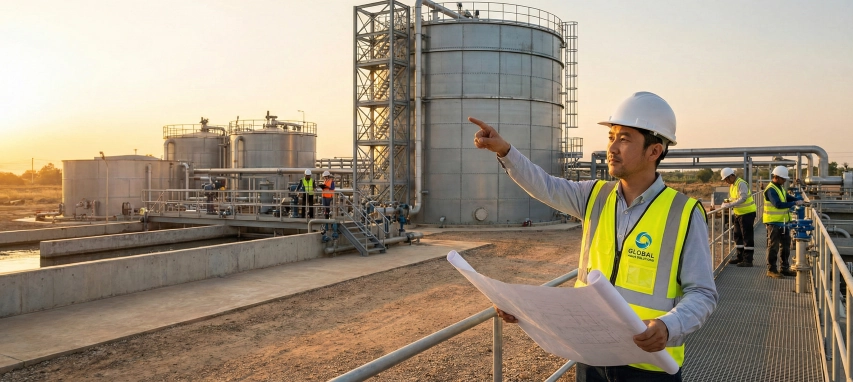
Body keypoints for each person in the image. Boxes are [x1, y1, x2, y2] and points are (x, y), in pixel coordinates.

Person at [470, 91, 718, 382]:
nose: (612, 147)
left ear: (655, 151)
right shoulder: (594, 197)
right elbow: (545, 186)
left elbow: (702, 293)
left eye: (624, 139)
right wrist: (505, 151)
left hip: (649, 367)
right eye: (611, 137)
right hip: (591, 360)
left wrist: (668, 326)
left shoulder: (684, 213)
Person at [763, 166, 803, 278]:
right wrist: (794, 203)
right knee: (773, 246)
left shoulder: (779, 187)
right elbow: (778, 204)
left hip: (783, 222)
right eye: (783, 179)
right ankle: (771, 270)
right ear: (777, 177)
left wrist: (796, 200)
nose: (785, 181)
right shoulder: (771, 189)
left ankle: (784, 268)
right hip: (773, 222)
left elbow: (786, 197)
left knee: (785, 246)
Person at [719, 168, 757, 267]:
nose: (726, 182)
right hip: (738, 213)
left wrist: (730, 204)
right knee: (737, 235)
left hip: (747, 213)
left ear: (732, 176)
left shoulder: (741, 184)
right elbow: (734, 198)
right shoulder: (732, 185)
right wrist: (727, 201)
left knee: (747, 237)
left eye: (727, 179)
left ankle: (748, 260)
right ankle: (740, 257)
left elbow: (743, 198)